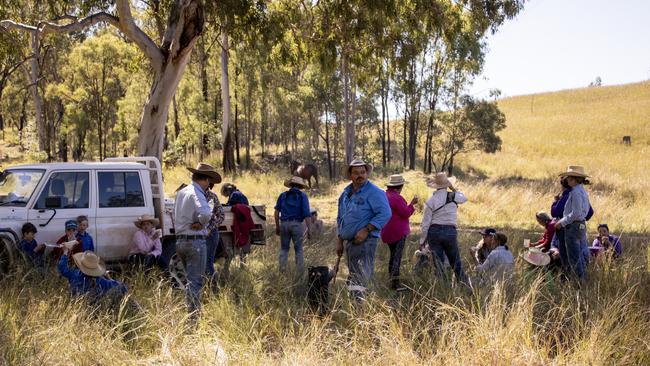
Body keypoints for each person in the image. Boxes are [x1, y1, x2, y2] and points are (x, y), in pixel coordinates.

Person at [336, 158, 391, 302]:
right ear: (350, 175)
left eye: (363, 172)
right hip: (350, 242)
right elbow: (340, 217)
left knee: (361, 275)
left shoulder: (374, 192)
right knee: (354, 275)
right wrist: (339, 240)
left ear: (367, 173)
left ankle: (360, 308)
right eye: (356, 173)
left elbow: (385, 213)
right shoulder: (345, 193)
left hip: (365, 241)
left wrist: (366, 230)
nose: (360, 175)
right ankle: (357, 306)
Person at [173, 162, 220, 317]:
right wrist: (201, 223)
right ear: (205, 180)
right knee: (195, 282)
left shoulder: (181, 192)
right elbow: (206, 213)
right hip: (195, 242)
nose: (209, 185)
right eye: (209, 181)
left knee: (189, 280)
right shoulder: (196, 192)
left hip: (180, 240)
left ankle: (190, 312)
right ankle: (193, 318)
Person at [419, 172, 469, 285]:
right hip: (450, 232)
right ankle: (465, 285)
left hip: (434, 232)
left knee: (438, 264)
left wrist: (422, 241)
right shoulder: (454, 196)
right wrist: (453, 188)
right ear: (447, 185)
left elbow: (425, 224)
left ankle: (443, 288)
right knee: (456, 262)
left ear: (435, 186)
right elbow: (464, 198)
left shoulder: (430, 201)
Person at [380, 174, 417, 291]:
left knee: (393, 256)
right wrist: (412, 204)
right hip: (398, 232)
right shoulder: (397, 198)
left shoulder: (384, 195)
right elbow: (405, 213)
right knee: (397, 258)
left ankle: (392, 281)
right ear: (400, 186)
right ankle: (395, 285)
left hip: (387, 231)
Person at [555, 166, 592, 281]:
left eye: (568, 178)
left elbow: (575, 213)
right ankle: (582, 280)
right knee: (579, 255)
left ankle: (579, 283)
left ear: (573, 179)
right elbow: (584, 212)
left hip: (574, 226)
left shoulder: (576, 192)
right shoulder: (582, 191)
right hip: (580, 225)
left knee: (574, 257)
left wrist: (562, 222)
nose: (566, 180)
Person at [58, 247, 127, 302]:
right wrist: (109, 278)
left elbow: (62, 269)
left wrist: (65, 253)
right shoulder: (101, 281)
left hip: (74, 306)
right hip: (92, 310)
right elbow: (122, 287)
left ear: (81, 265)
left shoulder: (74, 275)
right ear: (95, 269)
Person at [274, 176, 310, 274]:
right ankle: (299, 273)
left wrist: (277, 226)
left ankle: (282, 271)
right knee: (298, 249)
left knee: (284, 249)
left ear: (291, 185)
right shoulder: (303, 196)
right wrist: (309, 230)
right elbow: (307, 214)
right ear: (301, 186)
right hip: (297, 225)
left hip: (284, 225)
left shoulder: (283, 195)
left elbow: (276, 212)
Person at [204, 177, 225, 278]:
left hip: (210, 234)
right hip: (198, 234)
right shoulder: (192, 195)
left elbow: (221, 216)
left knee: (208, 263)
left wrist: (210, 228)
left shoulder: (212, 197)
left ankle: (212, 289)